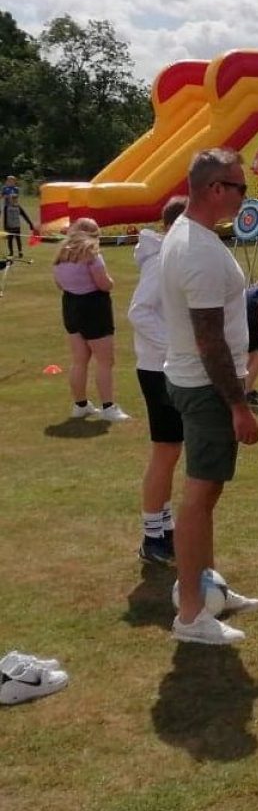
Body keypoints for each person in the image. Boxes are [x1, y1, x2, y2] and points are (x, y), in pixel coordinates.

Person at [160, 148, 258, 646]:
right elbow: (209, 339)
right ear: (216, 189)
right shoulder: (197, 250)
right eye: (240, 187)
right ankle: (191, 616)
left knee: (206, 495)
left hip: (195, 382)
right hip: (205, 389)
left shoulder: (188, 234)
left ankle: (203, 587)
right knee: (199, 498)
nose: (246, 196)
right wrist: (239, 404)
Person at [128, 196, 188, 564]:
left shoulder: (173, 256)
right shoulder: (160, 260)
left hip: (168, 366)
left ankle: (164, 527)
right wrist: (175, 346)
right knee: (165, 452)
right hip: (158, 369)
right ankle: (152, 536)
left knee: (171, 451)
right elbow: (138, 311)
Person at [52, 217, 130, 422]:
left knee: (79, 360)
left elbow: (59, 284)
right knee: (105, 361)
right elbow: (104, 284)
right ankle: (108, 407)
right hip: (93, 307)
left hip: (70, 306)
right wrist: (111, 282)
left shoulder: (62, 254)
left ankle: (80, 404)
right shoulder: (92, 255)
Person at [3, 176, 35, 260]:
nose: (14, 200)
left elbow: (25, 216)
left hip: (17, 225)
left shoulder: (18, 207)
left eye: (15, 199)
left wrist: (30, 224)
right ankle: (11, 252)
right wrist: (5, 227)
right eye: (12, 199)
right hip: (9, 226)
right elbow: (5, 219)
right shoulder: (7, 208)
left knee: (18, 238)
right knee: (10, 239)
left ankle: (20, 251)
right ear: (9, 200)